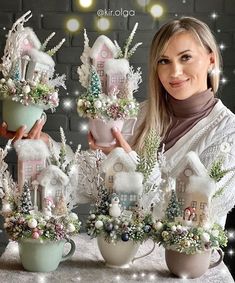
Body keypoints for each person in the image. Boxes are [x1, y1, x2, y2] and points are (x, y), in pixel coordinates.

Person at [1, 17, 235, 226]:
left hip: (183, 269)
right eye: (164, 61)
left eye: (185, 57)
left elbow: (205, 214)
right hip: (126, 257)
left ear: (211, 60)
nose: (174, 72)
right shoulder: (137, 114)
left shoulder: (228, 132)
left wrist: (133, 165)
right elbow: (90, 184)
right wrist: (46, 145)